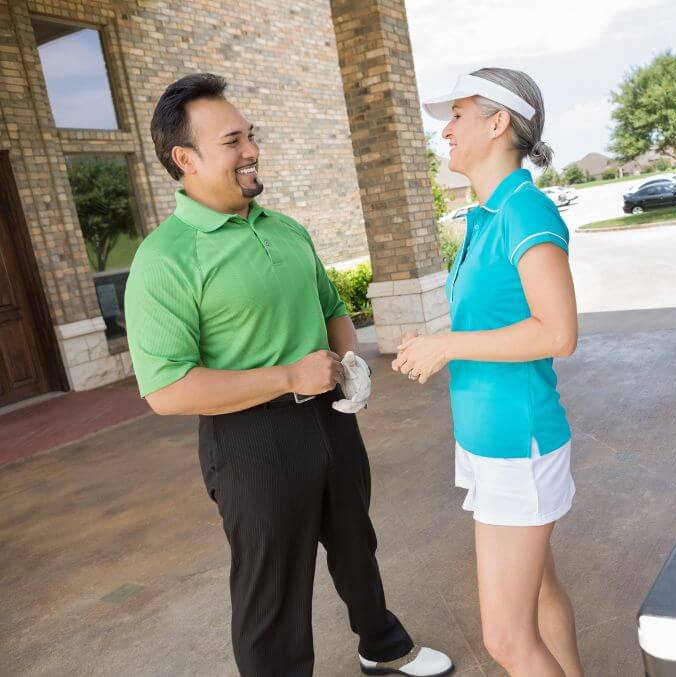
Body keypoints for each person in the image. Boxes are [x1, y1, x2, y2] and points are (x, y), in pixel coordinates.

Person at [124, 73, 453, 677]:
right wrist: (287, 377)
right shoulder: (164, 259)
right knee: (271, 589)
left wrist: (348, 365)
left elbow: (331, 310)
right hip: (250, 442)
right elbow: (167, 390)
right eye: (232, 141)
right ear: (185, 158)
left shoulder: (284, 227)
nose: (250, 150)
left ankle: (380, 646)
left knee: (358, 546)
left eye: (250, 135)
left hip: (330, 417)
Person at [392, 68, 583, 677]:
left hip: (515, 445)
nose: (444, 130)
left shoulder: (526, 212)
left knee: (505, 640)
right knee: (540, 593)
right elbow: (497, 321)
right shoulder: (487, 215)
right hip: (488, 442)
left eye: (456, 115)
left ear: (498, 123)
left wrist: (447, 344)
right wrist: (438, 342)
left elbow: (558, 332)